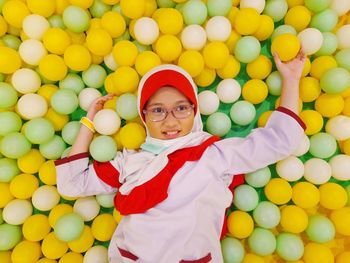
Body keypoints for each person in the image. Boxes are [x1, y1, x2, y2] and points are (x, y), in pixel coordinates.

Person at [55, 49, 306, 263]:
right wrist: (89, 121)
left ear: (195, 111)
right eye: (158, 110)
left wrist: (292, 79)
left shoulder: (215, 154)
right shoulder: (129, 161)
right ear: (144, 116)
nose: (170, 120)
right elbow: (72, 182)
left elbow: (281, 140)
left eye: (181, 108)